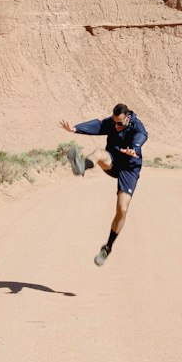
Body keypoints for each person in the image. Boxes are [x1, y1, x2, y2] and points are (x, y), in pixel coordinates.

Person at [59, 103, 148, 266]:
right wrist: (74, 129)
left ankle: (107, 247)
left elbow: (141, 136)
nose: (116, 126)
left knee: (122, 209)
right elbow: (98, 125)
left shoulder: (137, 127)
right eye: (114, 122)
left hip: (129, 169)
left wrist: (134, 148)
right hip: (112, 161)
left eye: (119, 123)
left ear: (127, 118)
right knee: (99, 153)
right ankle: (81, 167)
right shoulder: (114, 122)